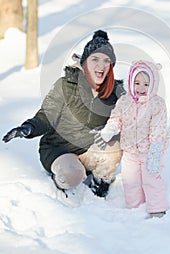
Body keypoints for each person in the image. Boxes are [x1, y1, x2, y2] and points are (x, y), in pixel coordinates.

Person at [2, 30, 125, 198]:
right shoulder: (66, 85)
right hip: (58, 149)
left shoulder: (115, 95)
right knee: (72, 175)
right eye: (95, 59)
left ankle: (99, 185)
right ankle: (64, 174)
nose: (101, 65)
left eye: (106, 61)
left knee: (114, 146)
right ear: (85, 62)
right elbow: (47, 114)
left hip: (88, 151)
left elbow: (128, 121)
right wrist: (28, 128)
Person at [93, 60, 169, 217]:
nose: (141, 88)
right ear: (130, 82)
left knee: (151, 179)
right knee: (131, 182)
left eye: (146, 84)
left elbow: (158, 129)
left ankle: (157, 209)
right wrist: (111, 128)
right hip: (129, 151)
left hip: (150, 151)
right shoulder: (124, 101)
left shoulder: (157, 104)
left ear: (153, 85)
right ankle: (134, 208)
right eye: (137, 82)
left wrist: (155, 151)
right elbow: (117, 117)